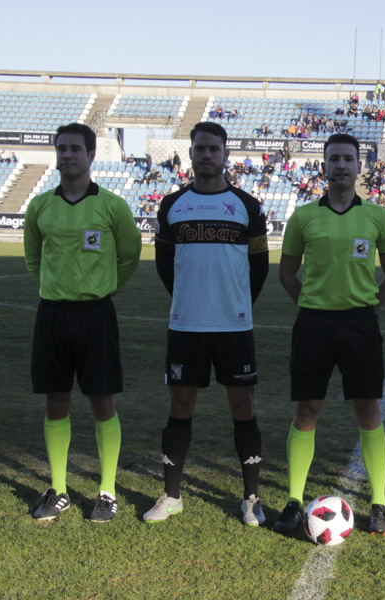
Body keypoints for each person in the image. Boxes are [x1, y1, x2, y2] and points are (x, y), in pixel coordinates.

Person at [274, 133, 385, 536]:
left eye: (349, 159)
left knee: (368, 413)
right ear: (324, 166)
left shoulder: (377, 217)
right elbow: (286, 271)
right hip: (313, 324)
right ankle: (295, 500)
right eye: (334, 159)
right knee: (307, 411)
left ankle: (379, 503)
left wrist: (367, 306)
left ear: (359, 167)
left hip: (360, 325)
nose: (342, 165)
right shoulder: (303, 216)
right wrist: (312, 303)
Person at [144, 122, 270, 526]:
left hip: (234, 326)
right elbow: (166, 265)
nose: (207, 155)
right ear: (192, 154)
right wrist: (188, 300)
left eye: (214, 148)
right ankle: (171, 496)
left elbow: (260, 266)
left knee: (242, 406)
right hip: (186, 326)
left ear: (226, 155)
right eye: (200, 148)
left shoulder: (247, 206)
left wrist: (235, 303)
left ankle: (251, 498)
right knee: (180, 407)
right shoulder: (172, 206)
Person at [23, 123, 142, 523]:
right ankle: (58, 490)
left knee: (102, 403)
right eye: (61, 148)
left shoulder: (112, 206)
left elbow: (129, 257)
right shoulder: (40, 206)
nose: (67, 155)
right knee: (55, 402)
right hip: (53, 314)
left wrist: (100, 288)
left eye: (75, 149)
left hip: (96, 316)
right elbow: (33, 259)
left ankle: (106, 492)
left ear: (92, 155)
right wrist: (57, 288)